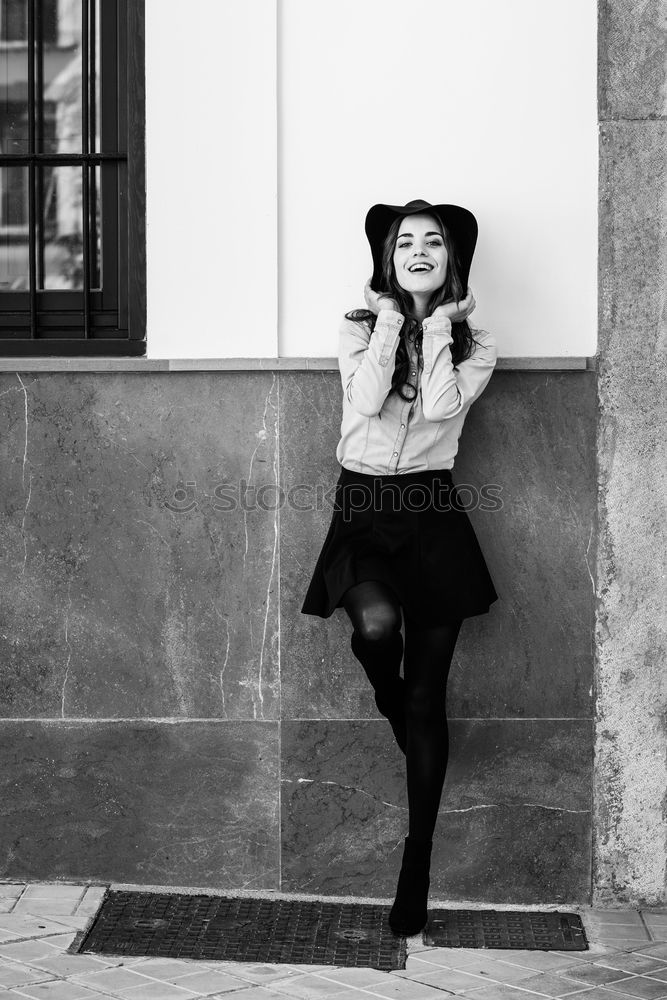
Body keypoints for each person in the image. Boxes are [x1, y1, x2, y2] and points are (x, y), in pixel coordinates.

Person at [300, 198, 499, 936]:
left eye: (433, 242)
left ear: (452, 259)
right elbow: (362, 398)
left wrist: (439, 325)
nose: (418, 250)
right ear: (386, 259)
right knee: (376, 629)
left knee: (428, 699)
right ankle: (387, 699)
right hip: (362, 509)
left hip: (434, 513)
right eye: (403, 242)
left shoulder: (476, 344)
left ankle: (415, 865)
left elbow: (442, 410)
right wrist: (392, 317)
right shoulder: (357, 330)